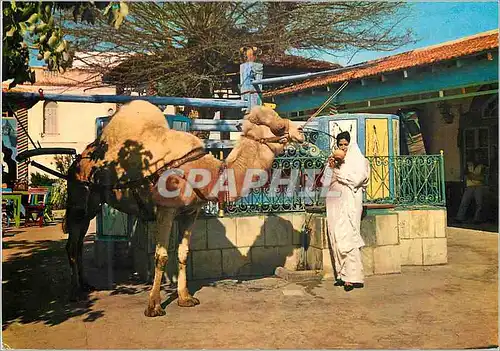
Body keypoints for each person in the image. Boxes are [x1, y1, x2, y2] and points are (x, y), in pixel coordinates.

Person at [324, 131, 370, 292]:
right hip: (334, 203)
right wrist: (331, 168)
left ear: (350, 144)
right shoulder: (332, 161)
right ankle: (342, 275)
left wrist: (339, 169)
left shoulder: (359, 161)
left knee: (349, 237)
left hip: (350, 204)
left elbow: (357, 180)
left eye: (345, 144)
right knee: (336, 236)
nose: (343, 147)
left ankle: (354, 277)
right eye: (340, 144)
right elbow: (324, 183)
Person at [455, 149, 488, 224]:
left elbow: (482, 178)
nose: (477, 157)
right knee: (464, 202)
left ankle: (477, 219)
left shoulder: (482, 165)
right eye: (476, 155)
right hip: (469, 185)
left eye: (479, 155)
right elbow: (466, 174)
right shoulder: (469, 164)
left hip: (479, 186)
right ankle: (459, 217)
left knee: (479, 204)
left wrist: (472, 176)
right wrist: (476, 177)